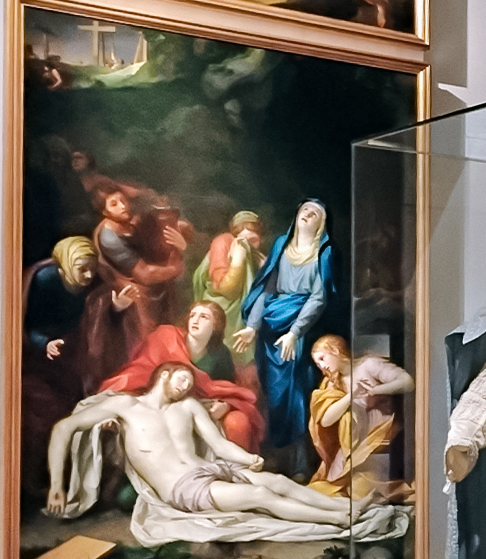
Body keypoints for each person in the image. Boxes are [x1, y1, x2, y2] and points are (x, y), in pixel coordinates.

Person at [46, 363, 354, 526]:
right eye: (182, 379)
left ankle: (347, 506)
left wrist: (247, 459)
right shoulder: (125, 406)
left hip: (210, 469)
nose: (185, 387)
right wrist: (57, 485)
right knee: (260, 494)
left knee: (275, 481)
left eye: (190, 384)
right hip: (180, 487)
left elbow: (219, 445)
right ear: (164, 374)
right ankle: (337, 519)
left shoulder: (189, 407)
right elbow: (63, 428)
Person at [20, 238, 127, 496]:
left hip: (78, 352)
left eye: (92, 268)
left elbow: (100, 315)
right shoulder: (45, 280)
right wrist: (44, 343)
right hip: (44, 357)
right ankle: (39, 483)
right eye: (82, 269)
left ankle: (75, 479)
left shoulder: (98, 278)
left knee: (77, 410)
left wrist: (117, 308)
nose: (89, 275)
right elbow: (27, 323)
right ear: (66, 264)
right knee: (45, 416)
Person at [236, 199, 337, 455]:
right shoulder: (282, 244)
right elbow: (268, 288)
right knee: (272, 391)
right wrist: (253, 326)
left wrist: (294, 333)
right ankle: (273, 453)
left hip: (298, 328)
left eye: (314, 213)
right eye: (304, 210)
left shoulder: (323, 252)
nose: (308, 214)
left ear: (321, 224)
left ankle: (299, 459)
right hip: (271, 327)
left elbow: (319, 297)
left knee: (296, 392)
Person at [98, 302, 265, 452]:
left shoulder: (220, 355)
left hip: (199, 407)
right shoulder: (165, 338)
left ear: (216, 326)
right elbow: (139, 372)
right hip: (158, 402)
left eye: (204, 317)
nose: (195, 320)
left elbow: (227, 389)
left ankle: (235, 473)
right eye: (193, 315)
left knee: (238, 421)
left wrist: (226, 406)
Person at [80, 186, 189, 387]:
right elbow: (144, 274)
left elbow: (167, 232)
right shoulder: (110, 238)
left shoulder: (131, 223)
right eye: (114, 204)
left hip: (157, 292)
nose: (122, 206)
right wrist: (175, 267)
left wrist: (180, 240)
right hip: (133, 298)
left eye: (123, 201)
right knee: (145, 348)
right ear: (104, 212)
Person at [307, 333, 414, 499]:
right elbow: (326, 420)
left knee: (358, 492)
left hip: (380, 442)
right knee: (325, 492)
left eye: (322, 358)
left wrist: (376, 391)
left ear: (335, 350)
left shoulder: (368, 365)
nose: (322, 366)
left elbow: (407, 381)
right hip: (351, 447)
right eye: (317, 363)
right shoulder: (332, 383)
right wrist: (351, 396)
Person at [192, 210, 266, 382]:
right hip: (220, 311)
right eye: (243, 231)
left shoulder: (257, 257)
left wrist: (264, 270)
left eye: (253, 235)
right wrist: (238, 261)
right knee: (213, 358)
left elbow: (265, 291)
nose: (248, 240)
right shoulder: (224, 242)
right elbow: (227, 288)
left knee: (239, 370)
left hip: (243, 318)